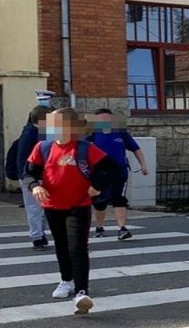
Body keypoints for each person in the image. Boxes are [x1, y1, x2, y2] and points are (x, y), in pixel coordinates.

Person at [22, 108, 121, 315]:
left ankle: (82, 292)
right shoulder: (43, 147)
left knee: (77, 248)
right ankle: (65, 280)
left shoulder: (85, 148)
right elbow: (29, 173)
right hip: (52, 206)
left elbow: (112, 168)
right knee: (61, 246)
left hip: (79, 205)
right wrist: (35, 186)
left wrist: (97, 185)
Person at [88, 108, 148, 240]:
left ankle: (122, 228)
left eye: (107, 118)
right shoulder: (92, 135)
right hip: (100, 173)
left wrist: (143, 165)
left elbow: (135, 149)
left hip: (119, 172)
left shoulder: (120, 133)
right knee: (100, 201)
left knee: (118, 198)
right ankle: (99, 227)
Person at [16, 105, 50, 249]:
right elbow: (24, 159)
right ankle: (37, 236)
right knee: (34, 208)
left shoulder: (38, 132)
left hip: (40, 175)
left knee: (42, 208)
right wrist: (28, 178)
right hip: (31, 177)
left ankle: (40, 233)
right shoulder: (30, 134)